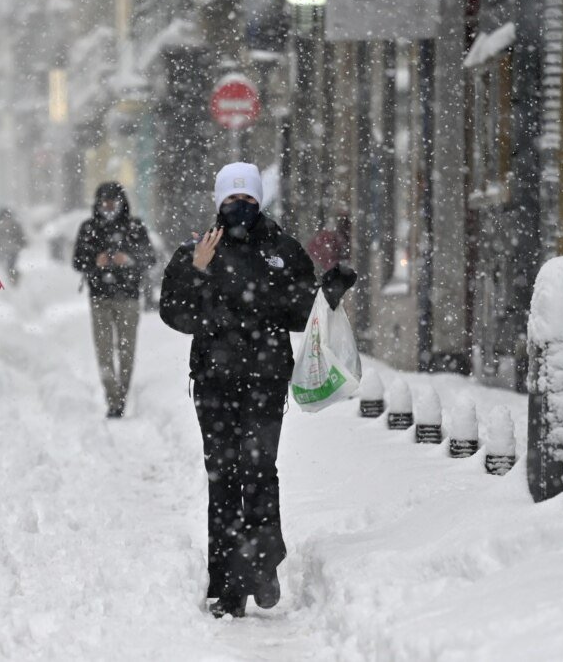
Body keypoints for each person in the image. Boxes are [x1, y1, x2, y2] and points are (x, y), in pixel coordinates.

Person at [159, 163, 356, 618]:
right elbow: (177, 315)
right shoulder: (196, 251)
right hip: (213, 384)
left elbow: (301, 313)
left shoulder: (283, 251)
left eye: (248, 200)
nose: (239, 208)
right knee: (223, 482)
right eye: (231, 200)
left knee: (260, 472)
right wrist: (198, 271)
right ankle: (227, 587)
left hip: (265, 383)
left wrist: (329, 292)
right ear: (218, 202)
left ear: (259, 201)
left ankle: (264, 566)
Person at [73, 182, 155, 418]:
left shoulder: (134, 227)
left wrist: (128, 259)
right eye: (104, 203)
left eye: (113, 202)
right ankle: (113, 399)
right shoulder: (88, 228)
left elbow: (149, 258)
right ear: (98, 204)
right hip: (99, 297)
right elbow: (77, 261)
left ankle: (123, 393)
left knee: (127, 350)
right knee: (104, 350)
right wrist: (94, 261)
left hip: (129, 297)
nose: (109, 207)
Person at [0, 207, 27, 284]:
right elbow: (21, 236)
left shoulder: (1, 225)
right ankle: (13, 277)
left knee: (9, 266)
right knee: (10, 265)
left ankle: (13, 278)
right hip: (12, 249)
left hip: (8, 249)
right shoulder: (14, 224)